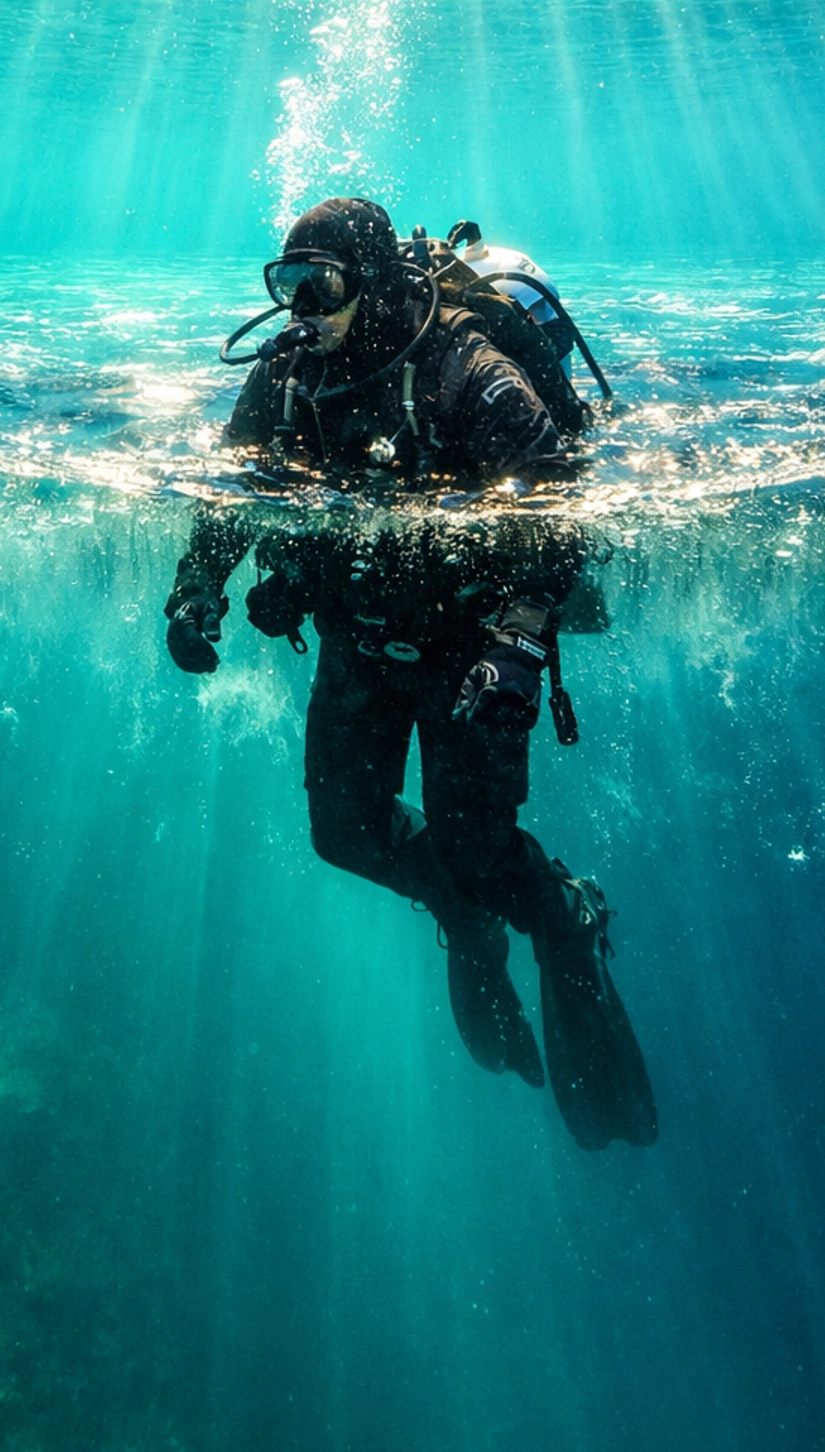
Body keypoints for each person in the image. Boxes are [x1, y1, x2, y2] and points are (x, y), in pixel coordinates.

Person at [163, 197, 656, 1151]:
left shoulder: (463, 364)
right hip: (359, 636)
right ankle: (460, 913)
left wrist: (518, 637)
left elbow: (559, 501)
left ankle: (563, 915)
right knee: (344, 833)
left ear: (376, 283)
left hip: (469, 653)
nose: (302, 309)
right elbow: (231, 494)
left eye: (323, 286)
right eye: (287, 286)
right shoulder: (287, 374)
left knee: (479, 847)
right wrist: (197, 589)